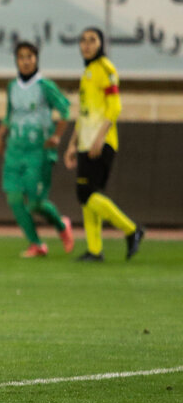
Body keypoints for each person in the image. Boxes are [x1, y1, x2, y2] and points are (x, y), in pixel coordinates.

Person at [62, 27, 145, 261]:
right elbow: (85, 113)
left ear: (101, 44)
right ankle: (95, 250)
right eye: (83, 40)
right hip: (86, 141)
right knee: (89, 195)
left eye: (92, 40)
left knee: (85, 193)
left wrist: (100, 138)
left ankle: (131, 229)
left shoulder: (105, 69)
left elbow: (115, 107)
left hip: (101, 141)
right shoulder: (88, 72)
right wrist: (72, 144)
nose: (87, 44)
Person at [0, 42, 74, 257]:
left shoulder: (45, 86)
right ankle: (36, 243)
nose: (26, 61)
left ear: (36, 59)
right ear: (16, 60)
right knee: (14, 198)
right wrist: (0, 133)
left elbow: (65, 111)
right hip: (14, 150)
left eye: (30, 56)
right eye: (21, 57)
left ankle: (61, 225)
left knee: (36, 202)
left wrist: (56, 136)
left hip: (38, 151)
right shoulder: (12, 87)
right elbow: (10, 115)